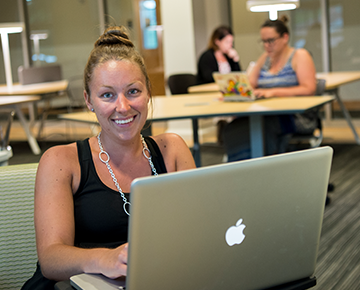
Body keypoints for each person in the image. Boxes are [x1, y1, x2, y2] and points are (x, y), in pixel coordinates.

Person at [22, 26, 196, 290]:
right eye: (107, 95)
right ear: (89, 101)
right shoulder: (62, 161)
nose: (123, 106)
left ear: (148, 92)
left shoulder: (172, 150)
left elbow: (197, 231)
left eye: (133, 91)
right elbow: (51, 259)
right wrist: (106, 259)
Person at [223, 16, 317, 160]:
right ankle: (242, 170)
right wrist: (234, 93)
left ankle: (262, 168)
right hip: (266, 113)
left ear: (285, 37)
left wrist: (272, 92)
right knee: (234, 127)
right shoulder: (266, 59)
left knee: (262, 127)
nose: (267, 45)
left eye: (271, 41)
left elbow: (309, 88)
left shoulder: (299, 56)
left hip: (294, 116)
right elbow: (249, 85)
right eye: (264, 42)